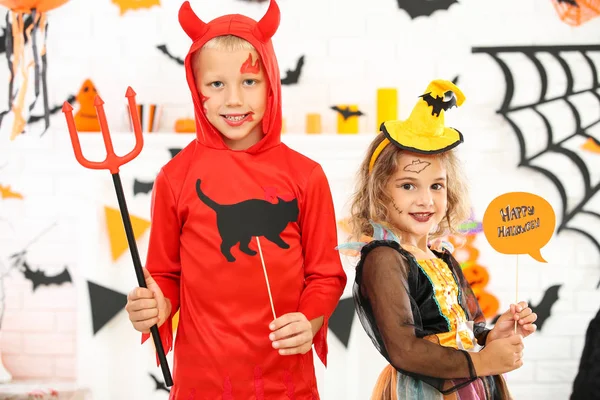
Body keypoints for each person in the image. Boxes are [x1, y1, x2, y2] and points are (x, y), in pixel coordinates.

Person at [124, 1, 347, 398]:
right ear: (197, 90)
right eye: (216, 84)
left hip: (284, 378)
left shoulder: (306, 175)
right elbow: (165, 275)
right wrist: (156, 304)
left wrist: (309, 320)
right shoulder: (175, 178)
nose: (233, 100)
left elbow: (325, 275)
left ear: (272, 82)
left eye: (249, 82)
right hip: (203, 377)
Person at [340, 79, 537, 399]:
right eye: (408, 185)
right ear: (380, 191)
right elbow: (404, 350)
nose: (425, 200)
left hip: (470, 384)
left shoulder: (441, 256)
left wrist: (493, 336)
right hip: (428, 390)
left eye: (436, 186)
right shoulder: (384, 259)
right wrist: (482, 362)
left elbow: (466, 330)